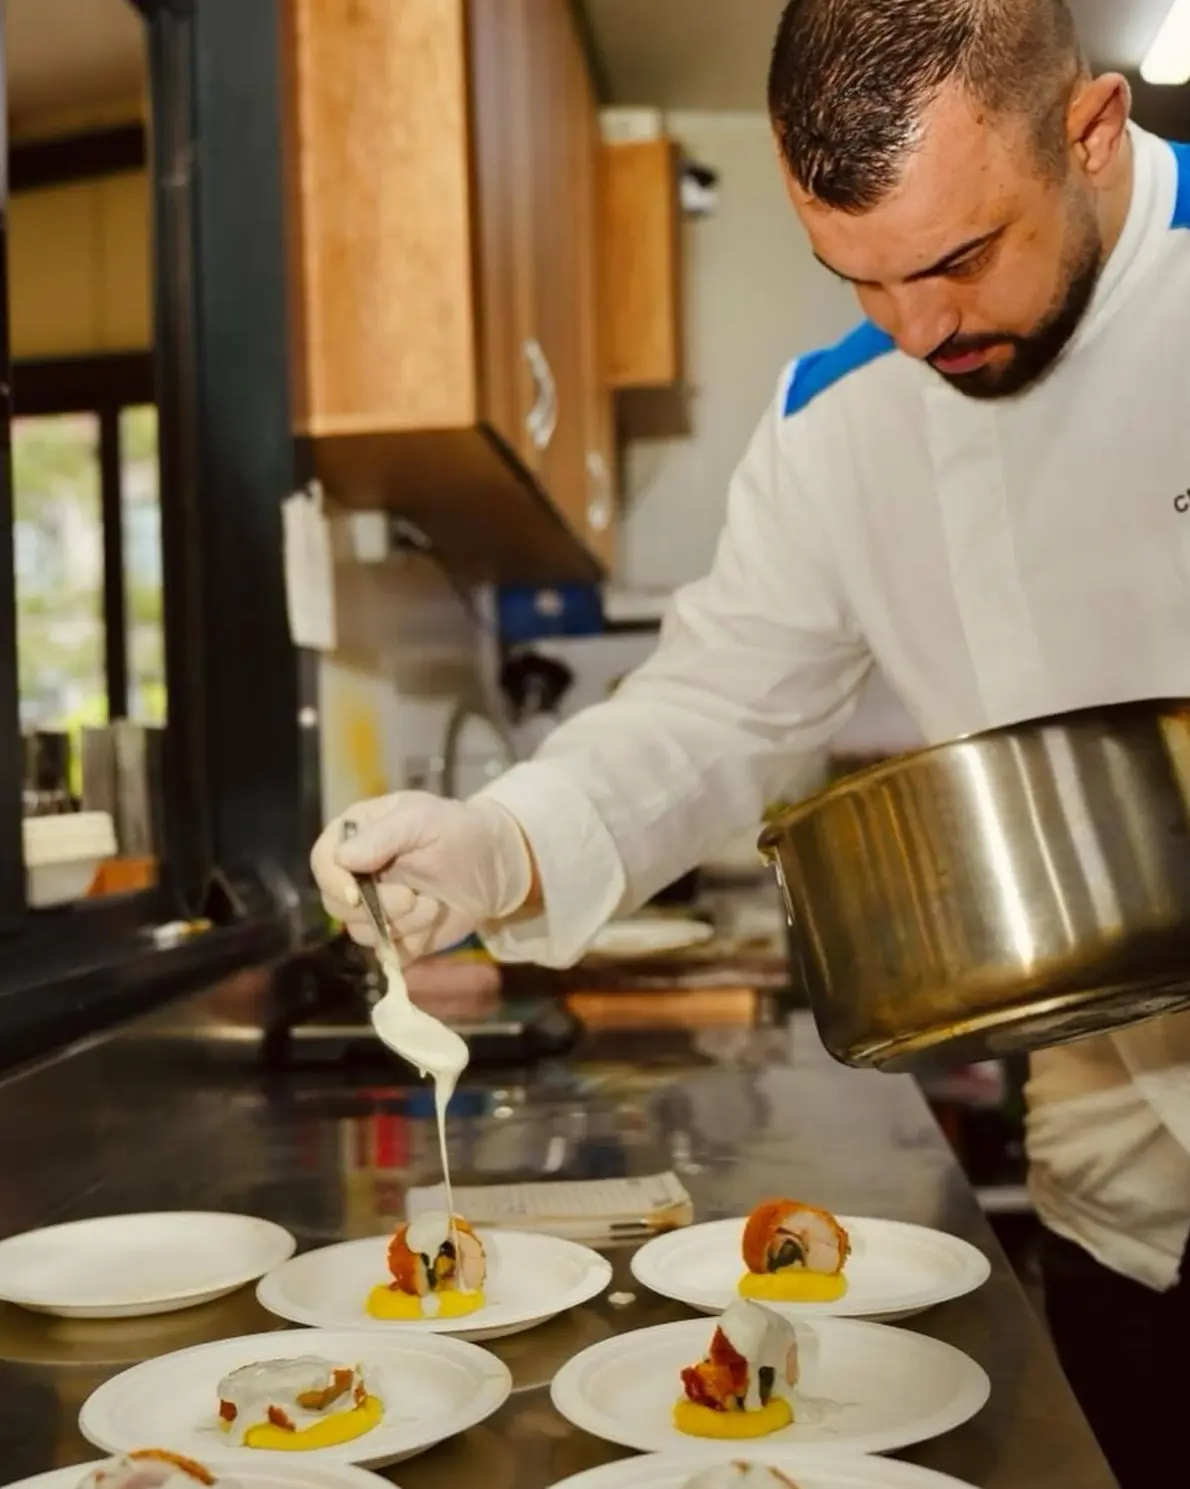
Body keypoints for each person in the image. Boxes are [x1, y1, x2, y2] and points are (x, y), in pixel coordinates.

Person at [311, 2, 1190, 1481]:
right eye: (855, 279)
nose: (916, 332)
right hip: (1125, 1204)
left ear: (1089, 131)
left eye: (957, 260)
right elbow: (716, 709)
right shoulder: (833, 419)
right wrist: (506, 841)